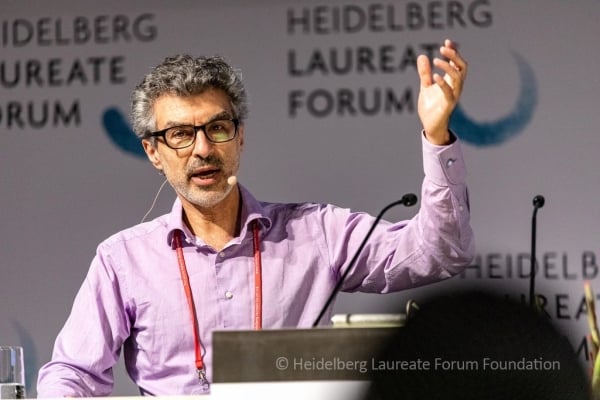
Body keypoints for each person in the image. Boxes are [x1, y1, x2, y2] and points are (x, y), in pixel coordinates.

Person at [37, 38, 474, 396]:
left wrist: (436, 137)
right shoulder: (124, 261)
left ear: (240, 136)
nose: (203, 149)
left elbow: (440, 252)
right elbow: (71, 373)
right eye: (180, 135)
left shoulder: (315, 233)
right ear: (153, 151)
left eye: (218, 128)